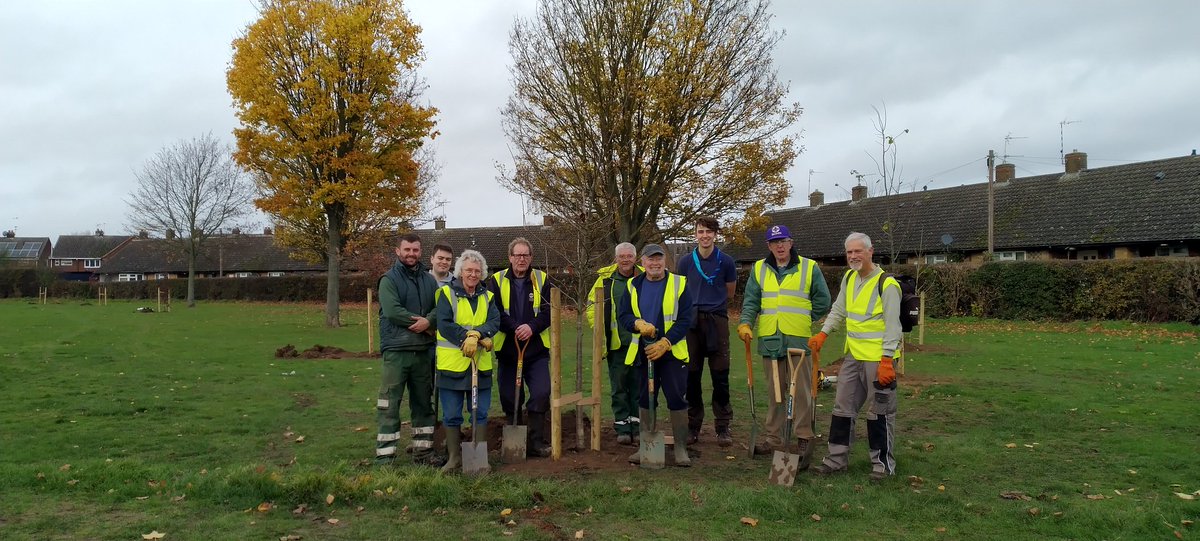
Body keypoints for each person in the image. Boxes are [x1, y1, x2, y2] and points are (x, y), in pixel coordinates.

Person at [808, 232, 902, 481]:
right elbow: (839, 309)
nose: (853, 256)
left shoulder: (888, 285)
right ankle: (836, 460)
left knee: (879, 412)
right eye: (849, 252)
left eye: (858, 251)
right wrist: (823, 334)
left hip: (879, 361)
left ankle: (882, 465)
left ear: (871, 251)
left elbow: (894, 326)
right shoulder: (849, 278)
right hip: (853, 356)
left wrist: (886, 361)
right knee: (842, 408)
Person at [737, 225, 831, 468]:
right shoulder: (759, 268)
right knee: (775, 391)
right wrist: (746, 323)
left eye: (783, 241)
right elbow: (751, 301)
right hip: (770, 339)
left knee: (799, 391)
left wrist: (804, 318)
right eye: (774, 242)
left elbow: (823, 300)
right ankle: (773, 438)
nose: (779, 246)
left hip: (798, 340)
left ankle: (803, 436)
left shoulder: (809, 267)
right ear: (768, 246)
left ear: (791, 243)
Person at [618, 243, 695, 467]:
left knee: (676, 397)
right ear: (642, 262)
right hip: (644, 352)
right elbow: (623, 314)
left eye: (659, 259)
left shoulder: (679, 284)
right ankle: (646, 445)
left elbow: (685, 319)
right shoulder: (633, 285)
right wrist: (637, 323)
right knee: (644, 398)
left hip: (672, 352)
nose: (655, 263)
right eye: (650, 259)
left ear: (665, 261)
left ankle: (680, 447)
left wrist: (666, 341)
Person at [376, 233, 440, 466]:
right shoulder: (388, 280)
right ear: (397, 251)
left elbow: (439, 308)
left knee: (423, 403)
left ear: (420, 252)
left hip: (423, 352)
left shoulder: (429, 280)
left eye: (415, 250)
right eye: (407, 250)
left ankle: (423, 453)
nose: (411, 254)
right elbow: (392, 311)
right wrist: (422, 324)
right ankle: (385, 457)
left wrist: (429, 321)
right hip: (396, 351)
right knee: (389, 403)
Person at [486, 237, 553, 458]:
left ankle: (535, 441)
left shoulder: (542, 280)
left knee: (542, 391)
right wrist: (516, 327)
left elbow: (549, 311)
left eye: (525, 255)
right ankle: (514, 434)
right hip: (508, 349)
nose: (521, 259)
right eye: (517, 255)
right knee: (508, 394)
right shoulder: (495, 281)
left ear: (531, 257)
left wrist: (531, 327)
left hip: (536, 349)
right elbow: (494, 312)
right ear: (510, 257)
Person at [434, 249, 500, 473]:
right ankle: (454, 459)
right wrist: (466, 337)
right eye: (469, 270)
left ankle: (478, 459)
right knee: (451, 414)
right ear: (460, 271)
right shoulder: (446, 294)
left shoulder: (487, 296)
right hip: (452, 366)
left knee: (479, 413)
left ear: (482, 273)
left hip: (479, 366)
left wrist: (478, 334)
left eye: (477, 270)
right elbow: (444, 324)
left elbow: (494, 321)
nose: (473, 274)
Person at [676, 217, 738, 446]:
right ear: (695, 234)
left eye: (709, 232)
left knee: (720, 377)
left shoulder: (727, 261)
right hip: (691, 323)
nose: (704, 236)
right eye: (700, 231)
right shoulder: (684, 262)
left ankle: (723, 426)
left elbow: (730, 292)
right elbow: (680, 291)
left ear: (715, 234)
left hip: (717, 321)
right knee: (691, 376)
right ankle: (693, 426)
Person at [586, 242, 642, 445]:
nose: (625, 260)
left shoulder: (644, 277)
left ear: (635, 258)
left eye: (629, 256)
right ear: (616, 258)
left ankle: (638, 426)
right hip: (615, 344)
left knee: (638, 386)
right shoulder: (605, 280)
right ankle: (622, 427)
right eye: (622, 256)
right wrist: (598, 330)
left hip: (640, 343)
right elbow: (592, 307)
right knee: (618, 387)